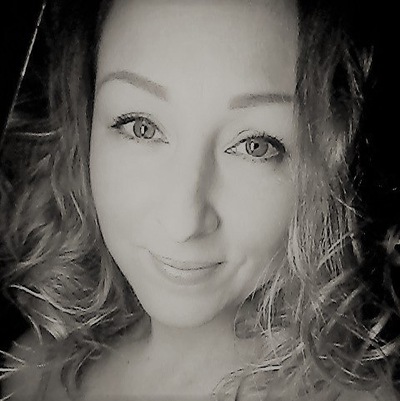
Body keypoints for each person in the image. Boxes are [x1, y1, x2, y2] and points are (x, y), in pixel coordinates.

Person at [0, 0, 399, 400]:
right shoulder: (31, 369)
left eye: (255, 145)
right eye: (141, 127)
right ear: (84, 125)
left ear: (327, 164)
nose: (184, 222)